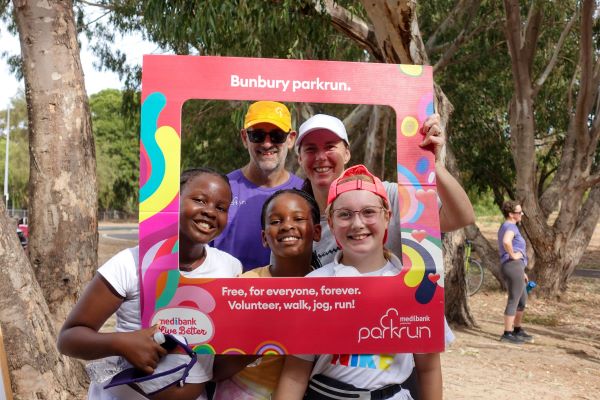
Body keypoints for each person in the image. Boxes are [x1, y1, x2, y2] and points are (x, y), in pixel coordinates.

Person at [57, 167, 243, 400]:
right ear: (174, 202)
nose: (209, 211)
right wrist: (121, 343)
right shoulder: (130, 263)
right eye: (199, 200)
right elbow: (68, 339)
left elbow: (215, 364)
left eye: (221, 207)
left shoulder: (231, 268)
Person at [273, 165, 444, 400]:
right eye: (345, 214)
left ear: (388, 217)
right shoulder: (314, 286)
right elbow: (294, 375)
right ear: (331, 224)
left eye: (368, 212)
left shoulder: (414, 285)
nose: (357, 224)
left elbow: (429, 368)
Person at [295, 113, 475, 266]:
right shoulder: (295, 221)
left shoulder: (390, 196)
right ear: (300, 159)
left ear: (347, 153)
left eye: (329, 147)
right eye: (310, 149)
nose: (320, 157)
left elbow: (460, 217)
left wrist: (434, 164)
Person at [212, 189, 322, 399]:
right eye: (275, 221)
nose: (287, 226)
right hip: (241, 391)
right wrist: (268, 337)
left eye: (298, 218)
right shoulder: (246, 287)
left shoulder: (329, 290)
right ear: (264, 237)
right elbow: (216, 370)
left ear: (317, 231)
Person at [212, 101, 304, 271]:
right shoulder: (220, 191)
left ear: (291, 139)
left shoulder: (305, 194)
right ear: (245, 138)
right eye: (258, 135)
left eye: (277, 135)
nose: (267, 144)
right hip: (229, 295)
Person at [497, 200, 533, 344]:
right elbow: (506, 242)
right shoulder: (510, 226)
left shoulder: (508, 226)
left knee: (522, 299)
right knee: (514, 299)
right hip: (512, 265)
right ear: (511, 214)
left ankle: (517, 329)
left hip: (516, 267)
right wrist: (513, 255)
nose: (522, 214)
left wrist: (522, 271)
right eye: (519, 212)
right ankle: (507, 333)